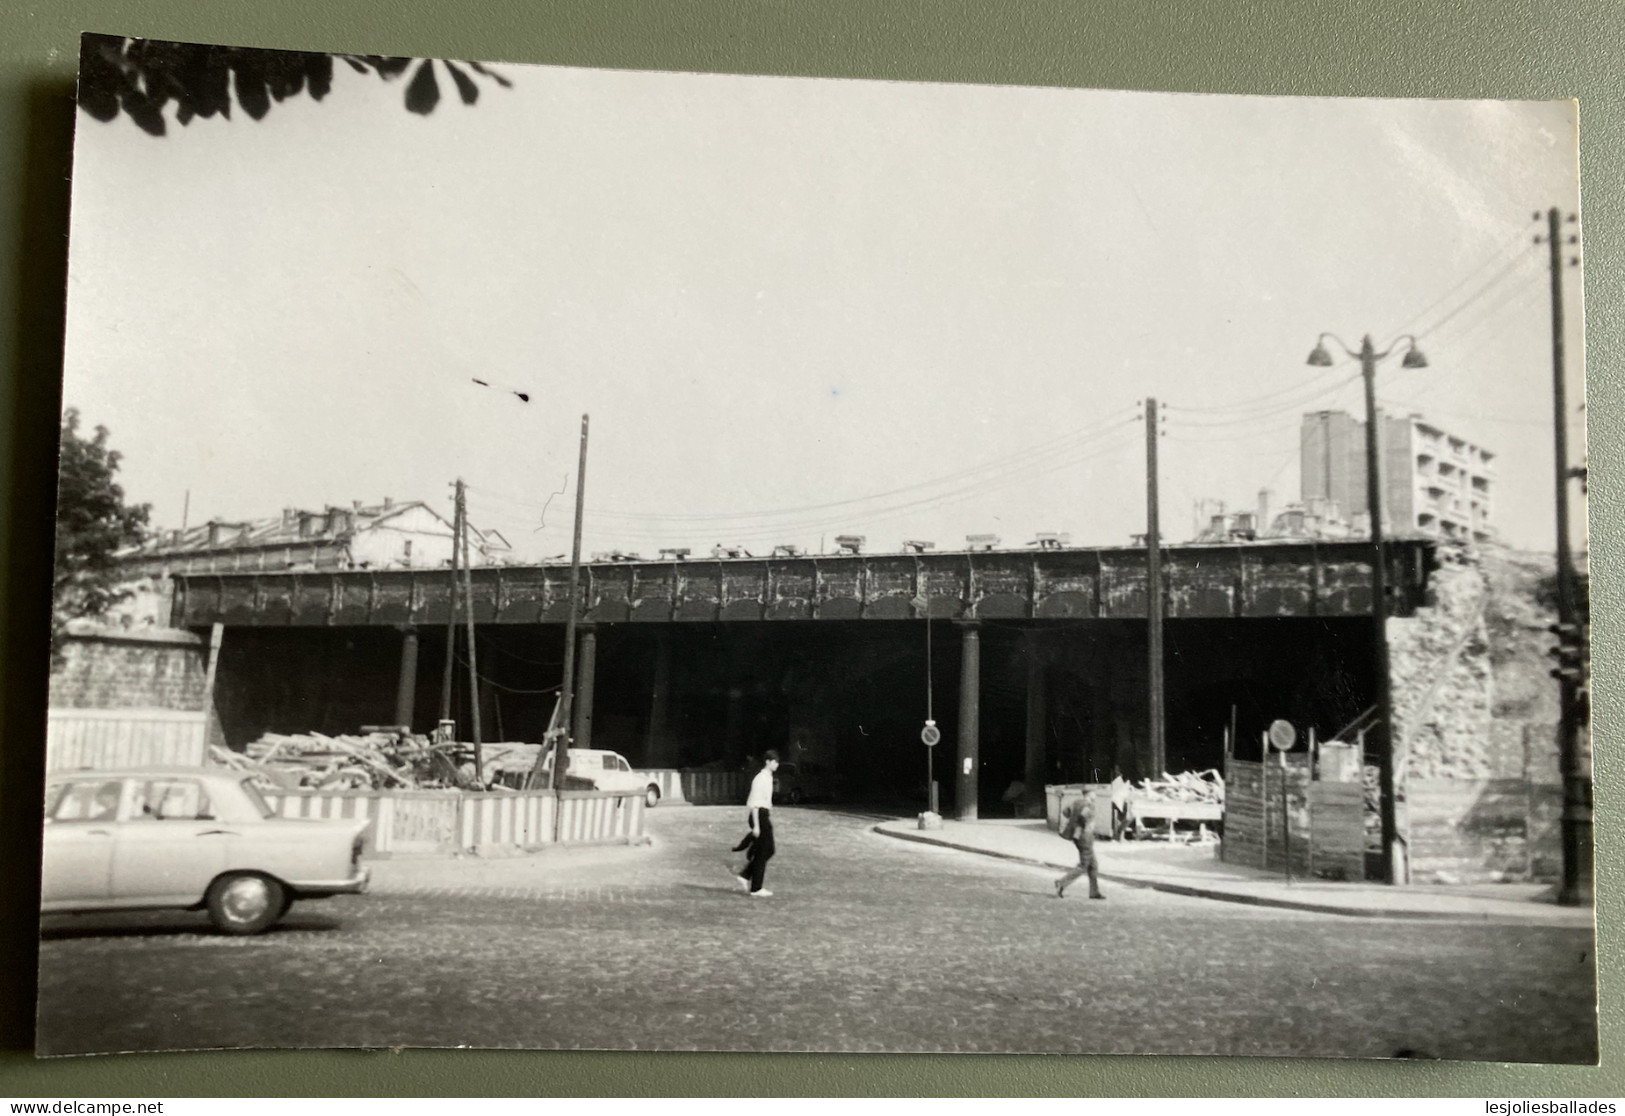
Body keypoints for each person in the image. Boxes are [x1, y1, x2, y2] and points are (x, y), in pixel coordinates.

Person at [733, 750, 780, 897]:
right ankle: (756, 888)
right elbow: (754, 803)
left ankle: (746, 875)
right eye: (775, 762)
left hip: (763, 814)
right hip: (758, 815)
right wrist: (757, 826)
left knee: (768, 850)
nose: (777, 765)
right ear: (768, 762)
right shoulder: (760, 778)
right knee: (765, 850)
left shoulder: (768, 778)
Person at [1055, 794, 1105, 900]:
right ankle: (1061, 883)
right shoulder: (1089, 805)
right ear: (1090, 793)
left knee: (1093, 865)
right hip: (1085, 836)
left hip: (1077, 835)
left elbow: (1065, 812)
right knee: (1084, 865)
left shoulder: (1075, 802)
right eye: (1094, 793)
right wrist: (1086, 825)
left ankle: (1094, 892)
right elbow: (1085, 817)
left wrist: (1075, 821)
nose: (1095, 795)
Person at [1110, 768, 1132, 841]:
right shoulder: (1117, 782)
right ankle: (1119, 834)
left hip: (1120, 801)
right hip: (1117, 802)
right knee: (1128, 817)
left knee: (1128, 817)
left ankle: (1120, 834)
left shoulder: (1125, 782)